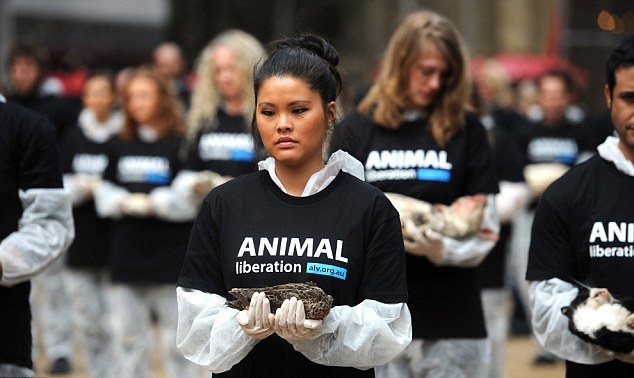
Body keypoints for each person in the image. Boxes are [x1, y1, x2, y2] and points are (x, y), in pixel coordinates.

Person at [176, 33, 412, 377]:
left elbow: (388, 326)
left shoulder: (369, 208)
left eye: (298, 110)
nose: (282, 124)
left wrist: (323, 326)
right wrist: (240, 326)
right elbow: (195, 324)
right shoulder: (223, 205)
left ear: (329, 113)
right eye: (268, 111)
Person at [339, 10, 500, 378]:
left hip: (452, 314)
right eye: (425, 71)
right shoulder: (358, 130)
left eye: (445, 74)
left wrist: (442, 247)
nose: (435, 82)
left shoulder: (466, 130)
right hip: (377, 314)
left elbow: (485, 222)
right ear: (400, 63)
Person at [526, 34, 634, 378]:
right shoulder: (567, 194)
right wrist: (612, 333)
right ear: (608, 97)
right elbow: (545, 307)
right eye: (630, 98)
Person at [93, 68, 199, 378]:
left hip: (172, 257)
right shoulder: (118, 143)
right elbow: (104, 190)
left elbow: (189, 197)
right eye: (130, 97)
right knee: (127, 339)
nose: (136, 103)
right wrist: (121, 202)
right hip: (127, 255)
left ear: (163, 99)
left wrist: (159, 203)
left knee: (178, 340)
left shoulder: (181, 144)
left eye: (144, 95)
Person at [6, 42, 78, 374]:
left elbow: (51, 224)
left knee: (53, 288)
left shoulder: (44, 117)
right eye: (17, 68)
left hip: (8, 313)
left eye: (28, 67)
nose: (22, 74)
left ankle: (59, 348)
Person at [510, 69, 588, 365]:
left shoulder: (582, 132)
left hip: (574, 219)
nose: (553, 100)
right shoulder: (524, 134)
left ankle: (575, 336)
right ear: (539, 97)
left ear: (569, 97)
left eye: (559, 94)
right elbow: (518, 180)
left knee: (575, 277)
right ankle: (542, 344)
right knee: (526, 277)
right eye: (548, 94)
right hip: (531, 217)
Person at [60, 72, 122, 378]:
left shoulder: (123, 136)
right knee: (87, 319)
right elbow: (57, 184)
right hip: (81, 238)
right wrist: (80, 187)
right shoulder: (72, 137)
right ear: (84, 98)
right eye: (91, 93)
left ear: (113, 97)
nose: (97, 99)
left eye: (103, 92)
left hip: (115, 241)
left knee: (115, 321)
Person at [473, 59, 532, 378]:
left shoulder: (497, 138)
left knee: (491, 322)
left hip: (488, 248)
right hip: (432, 258)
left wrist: (474, 212)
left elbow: (516, 190)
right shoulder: (432, 136)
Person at [174, 30, 264, 204]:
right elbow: (188, 169)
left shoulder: (265, 117)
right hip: (209, 214)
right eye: (218, 70)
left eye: (232, 68)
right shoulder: (204, 118)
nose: (225, 78)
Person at [153, 41, 191, 112]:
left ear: (182, 63)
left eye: (172, 65)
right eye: (163, 65)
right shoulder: (150, 92)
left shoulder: (192, 90)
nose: (168, 71)